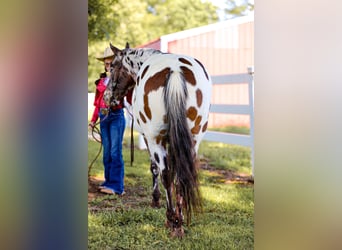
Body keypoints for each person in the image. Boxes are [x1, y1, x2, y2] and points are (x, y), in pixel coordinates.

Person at [89, 47, 126, 195]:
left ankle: (117, 186)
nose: (108, 66)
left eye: (111, 63)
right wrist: (93, 120)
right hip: (104, 119)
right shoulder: (101, 82)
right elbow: (98, 103)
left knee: (115, 152)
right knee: (107, 153)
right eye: (106, 63)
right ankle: (108, 182)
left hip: (116, 116)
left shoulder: (120, 81)